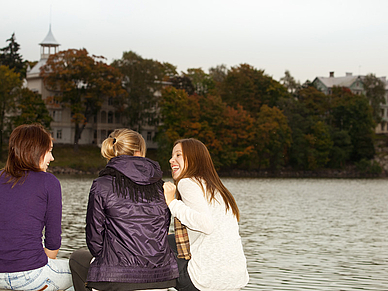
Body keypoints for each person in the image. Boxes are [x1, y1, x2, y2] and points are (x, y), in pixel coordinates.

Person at [69, 129, 178, 291]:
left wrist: (108, 260)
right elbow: (161, 230)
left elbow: (94, 240)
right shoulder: (161, 187)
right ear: (139, 152)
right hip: (161, 278)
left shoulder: (101, 184)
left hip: (116, 278)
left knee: (77, 258)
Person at [163, 138, 249, 291]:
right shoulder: (218, 189)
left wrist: (171, 202)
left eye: (178, 155)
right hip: (234, 280)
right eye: (172, 156)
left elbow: (205, 225)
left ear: (194, 159)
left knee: (151, 245)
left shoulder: (187, 183)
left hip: (203, 280)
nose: (171, 160)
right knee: (167, 241)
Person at [0, 124, 73, 291]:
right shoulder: (49, 182)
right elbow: (53, 243)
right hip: (29, 276)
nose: (52, 158)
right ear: (36, 151)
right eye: (49, 151)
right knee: (83, 270)